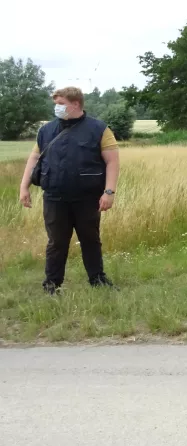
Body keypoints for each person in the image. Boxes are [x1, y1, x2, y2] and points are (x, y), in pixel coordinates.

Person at [19, 87, 120, 294]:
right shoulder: (46, 131)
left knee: (90, 240)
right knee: (56, 242)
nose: (57, 108)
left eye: (61, 103)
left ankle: (97, 280)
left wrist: (109, 192)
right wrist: (24, 187)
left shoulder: (99, 129)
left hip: (87, 197)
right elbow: (34, 159)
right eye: (56, 103)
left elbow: (112, 162)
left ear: (76, 104)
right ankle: (52, 284)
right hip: (54, 197)